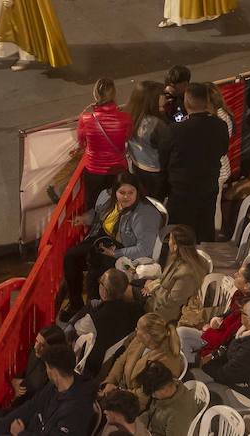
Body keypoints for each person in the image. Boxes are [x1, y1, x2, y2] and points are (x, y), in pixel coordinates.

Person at [63, 174, 161, 318]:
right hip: (103, 237)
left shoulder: (145, 214)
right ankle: (75, 304)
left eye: (130, 193)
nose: (126, 197)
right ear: (115, 192)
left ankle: (94, 313)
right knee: (70, 257)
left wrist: (116, 253)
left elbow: (144, 249)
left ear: (137, 192)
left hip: (123, 248)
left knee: (95, 275)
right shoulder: (107, 198)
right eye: (122, 192)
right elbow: (98, 214)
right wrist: (85, 218)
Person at [0, 343, 97, 436]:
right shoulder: (55, 386)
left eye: (47, 367)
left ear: (54, 372)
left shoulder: (76, 410)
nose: (46, 371)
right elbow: (31, 406)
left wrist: (21, 434)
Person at [158, 83, 228, 240]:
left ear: (187, 102)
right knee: (204, 232)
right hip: (208, 189)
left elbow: (163, 158)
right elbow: (223, 151)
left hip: (182, 193)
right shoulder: (220, 126)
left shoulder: (176, 130)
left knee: (181, 236)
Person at [196, 297, 250, 404]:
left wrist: (206, 365)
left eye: (242, 312)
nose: (239, 313)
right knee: (199, 379)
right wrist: (213, 356)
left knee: (201, 391)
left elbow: (227, 374)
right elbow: (229, 351)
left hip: (248, 391)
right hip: (238, 376)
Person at [72, 268, 142, 377]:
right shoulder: (136, 310)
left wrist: (88, 308)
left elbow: (75, 329)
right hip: (115, 358)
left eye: (101, 282)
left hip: (93, 364)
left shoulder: (93, 318)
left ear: (104, 292)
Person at [99, 312, 183, 399]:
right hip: (122, 388)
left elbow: (146, 394)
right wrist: (110, 382)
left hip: (133, 400)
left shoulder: (164, 361)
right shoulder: (140, 340)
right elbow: (121, 361)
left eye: (138, 328)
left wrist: (117, 393)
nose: (135, 330)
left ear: (147, 336)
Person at [76, 78, 133, 206]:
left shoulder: (85, 118)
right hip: (118, 170)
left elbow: (81, 143)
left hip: (94, 170)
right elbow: (127, 137)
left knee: (93, 204)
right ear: (114, 94)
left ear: (95, 94)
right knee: (118, 204)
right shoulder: (125, 118)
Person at [140, 225, 206, 323]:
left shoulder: (187, 274)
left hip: (164, 313)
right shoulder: (177, 259)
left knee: (127, 293)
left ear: (176, 245)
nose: (168, 242)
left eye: (170, 239)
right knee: (133, 284)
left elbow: (171, 300)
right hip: (157, 298)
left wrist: (153, 288)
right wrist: (152, 284)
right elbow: (163, 279)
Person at [125, 80, 169, 197]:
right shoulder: (157, 125)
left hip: (137, 166)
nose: (165, 100)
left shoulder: (129, 116)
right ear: (152, 100)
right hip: (156, 172)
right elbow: (168, 151)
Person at [134, 363, 200, 436]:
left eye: (154, 393)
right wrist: (135, 424)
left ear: (164, 388)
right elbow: (150, 413)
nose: (153, 396)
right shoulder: (169, 389)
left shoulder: (178, 414)